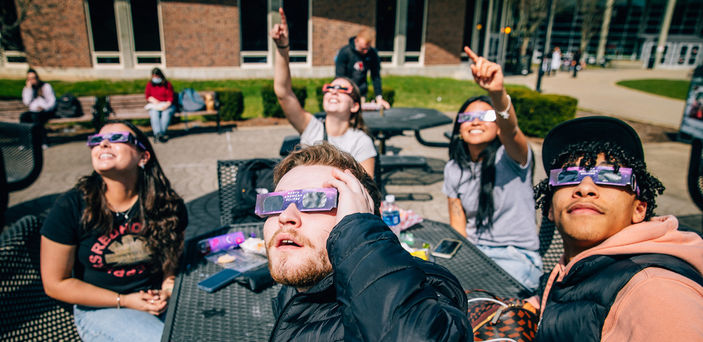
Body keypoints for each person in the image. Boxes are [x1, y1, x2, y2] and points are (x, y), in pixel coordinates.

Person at [263, 143, 471, 341]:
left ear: (359, 215)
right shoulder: (296, 289)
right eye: (276, 202)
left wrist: (358, 229)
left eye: (314, 201)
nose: (285, 216)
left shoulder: (428, 289)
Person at [534, 116, 703, 341]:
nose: (585, 188)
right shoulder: (577, 269)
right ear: (550, 211)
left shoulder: (654, 291)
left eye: (610, 175)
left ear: (639, 210)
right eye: (567, 176)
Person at [40, 120, 187, 341]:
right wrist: (124, 300)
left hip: (157, 299)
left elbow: (171, 259)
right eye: (97, 140)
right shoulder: (70, 207)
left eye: (117, 138)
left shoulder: (167, 204)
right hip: (103, 308)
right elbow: (55, 284)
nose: (104, 144)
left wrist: (167, 286)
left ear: (143, 157)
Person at [443, 46, 542, 291]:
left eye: (485, 117)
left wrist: (497, 93)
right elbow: (459, 227)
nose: (474, 121)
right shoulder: (454, 168)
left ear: (497, 125)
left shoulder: (512, 157)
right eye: (466, 119)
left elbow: (511, 129)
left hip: (516, 257)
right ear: (459, 129)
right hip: (475, 256)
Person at [271, 8, 376, 176]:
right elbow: (283, 92)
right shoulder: (311, 127)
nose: (334, 91)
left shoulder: (361, 142)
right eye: (330, 88)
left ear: (355, 106)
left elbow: (367, 191)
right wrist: (282, 47)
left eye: (343, 89)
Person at [335, 28, 390, 109]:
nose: (365, 52)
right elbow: (339, 76)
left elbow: (375, 76)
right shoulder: (345, 52)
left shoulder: (372, 53)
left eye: (367, 49)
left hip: (361, 91)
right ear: (356, 41)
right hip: (346, 92)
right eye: (362, 49)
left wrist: (379, 98)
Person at [21, 68, 56, 147]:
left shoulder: (46, 86)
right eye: (29, 79)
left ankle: (44, 141)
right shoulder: (26, 89)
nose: (32, 80)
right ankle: (25, 142)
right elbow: (26, 102)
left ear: (37, 77)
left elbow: (52, 101)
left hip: (46, 111)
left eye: (34, 78)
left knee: (37, 117)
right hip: (33, 111)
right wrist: (29, 89)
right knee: (23, 117)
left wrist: (45, 108)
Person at [144, 67, 176, 143]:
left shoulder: (167, 84)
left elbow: (170, 97)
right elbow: (148, 96)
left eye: (157, 76)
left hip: (166, 105)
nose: (155, 78)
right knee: (154, 114)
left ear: (160, 76)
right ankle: (158, 133)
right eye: (154, 76)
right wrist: (154, 100)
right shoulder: (150, 84)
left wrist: (166, 105)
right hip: (155, 105)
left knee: (166, 114)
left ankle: (160, 133)